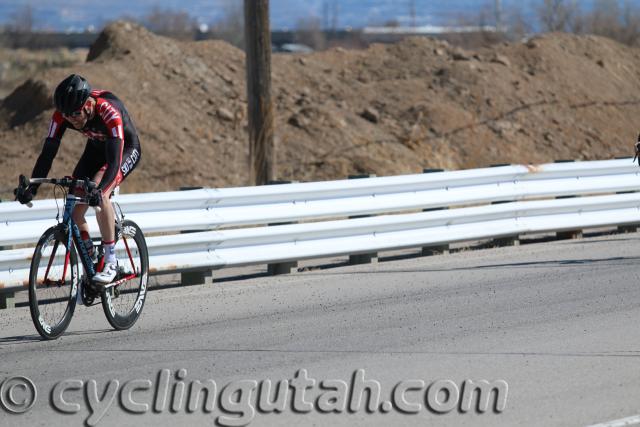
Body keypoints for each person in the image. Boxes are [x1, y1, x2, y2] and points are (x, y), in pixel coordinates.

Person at [14, 74, 142, 284]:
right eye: (66, 115)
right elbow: (48, 153)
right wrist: (33, 188)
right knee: (75, 209)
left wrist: (100, 190)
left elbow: (114, 162)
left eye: (75, 113)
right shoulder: (61, 116)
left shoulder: (108, 112)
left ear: (88, 105)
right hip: (96, 149)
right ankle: (92, 258)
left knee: (101, 194)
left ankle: (111, 261)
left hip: (124, 149)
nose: (71, 119)